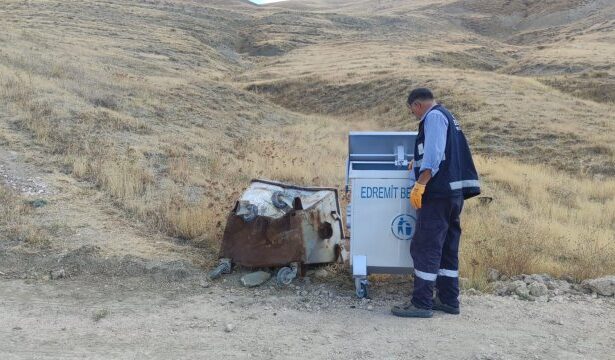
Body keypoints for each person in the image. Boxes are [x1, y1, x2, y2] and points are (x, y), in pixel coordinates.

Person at [391, 88, 480, 318]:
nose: (413, 114)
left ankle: (421, 303)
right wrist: (416, 163)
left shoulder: (433, 117)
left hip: (438, 194)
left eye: (412, 110)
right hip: (453, 195)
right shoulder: (448, 116)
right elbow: (438, 152)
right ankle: (448, 299)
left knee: (425, 246)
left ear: (417, 105)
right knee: (447, 248)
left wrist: (421, 182)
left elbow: (434, 153)